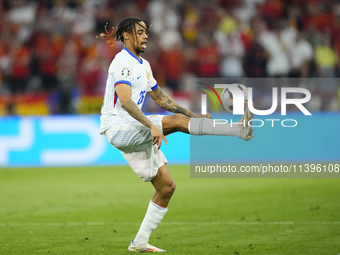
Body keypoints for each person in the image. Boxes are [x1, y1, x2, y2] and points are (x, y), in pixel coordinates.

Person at [98, 17, 253, 253]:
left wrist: (191, 114)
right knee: (178, 124)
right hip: (118, 126)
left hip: (134, 128)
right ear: (126, 36)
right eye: (139, 32)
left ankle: (139, 242)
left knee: (167, 188)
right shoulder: (122, 62)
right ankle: (237, 130)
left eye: (146, 31)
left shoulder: (144, 65)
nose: (146, 35)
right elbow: (126, 100)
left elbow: (160, 99)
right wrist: (151, 126)